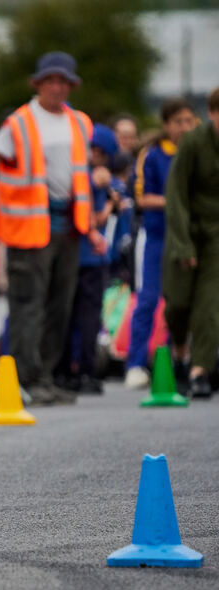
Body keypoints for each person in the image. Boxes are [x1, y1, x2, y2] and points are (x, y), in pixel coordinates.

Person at [0, 51, 105, 405]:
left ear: (70, 85)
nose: (57, 86)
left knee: (59, 306)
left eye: (63, 81)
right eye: (51, 80)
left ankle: (44, 377)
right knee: (27, 305)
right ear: (39, 83)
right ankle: (23, 379)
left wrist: (92, 228)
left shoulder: (80, 122)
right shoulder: (18, 122)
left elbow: (82, 178)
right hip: (28, 228)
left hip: (69, 227)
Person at [124, 98, 197, 390]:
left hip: (189, 238)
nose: (184, 127)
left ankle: (175, 360)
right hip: (156, 237)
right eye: (177, 122)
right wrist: (176, 203)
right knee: (149, 299)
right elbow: (141, 198)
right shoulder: (152, 155)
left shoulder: (198, 153)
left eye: (188, 121)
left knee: (183, 302)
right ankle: (136, 363)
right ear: (166, 125)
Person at [161, 86, 219, 400]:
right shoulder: (194, 143)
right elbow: (176, 195)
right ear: (211, 114)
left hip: (216, 237)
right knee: (178, 303)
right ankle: (180, 350)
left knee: (209, 306)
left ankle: (200, 371)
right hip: (186, 231)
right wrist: (183, 244)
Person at [58, 124, 123, 394]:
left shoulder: (72, 173)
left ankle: (64, 371)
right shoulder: (96, 179)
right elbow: (93, 219)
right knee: (87, 318)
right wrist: (110, 204)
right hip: (91, 257)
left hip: (73, 255)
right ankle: (85, 370)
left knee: (69, 315)